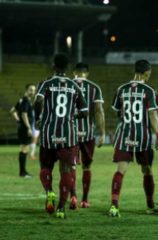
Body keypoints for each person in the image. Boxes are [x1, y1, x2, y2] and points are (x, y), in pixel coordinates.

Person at [34, 53, 88, 219]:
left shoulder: (46, 83)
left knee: (45, 168)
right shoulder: (74, 85)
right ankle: (61, 208)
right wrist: (72, 116)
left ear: (53, 66)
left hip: (49, 133)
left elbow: (38, 101)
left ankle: (49, 192)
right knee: (66, 171)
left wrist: (38, 119)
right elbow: (85, 112)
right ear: (68, 67)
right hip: (68, 135)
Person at [109, 60, 158, 218]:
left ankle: (114, 206)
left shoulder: (121, 89)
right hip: (143, 137)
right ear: (147, 72)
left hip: (125, 134)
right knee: (147, 170)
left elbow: (117, 111)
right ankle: (150, 204)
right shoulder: (149, 90)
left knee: (120, 170)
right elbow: (153, 114)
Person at [69, 63, 106, 209]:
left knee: (70, 166)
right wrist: (102, 133)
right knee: (86, 166)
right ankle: (84, 200)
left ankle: (73, 196)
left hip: (69, 133)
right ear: (87, 73)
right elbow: (99, 111)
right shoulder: (94, 87)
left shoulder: (67, 85)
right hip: (88, 134)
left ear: (74, 72)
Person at [10, 84, 37, 177]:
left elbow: (12, 110)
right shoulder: (25, 100)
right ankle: (23, 172)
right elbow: (24, 114)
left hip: (22, 127)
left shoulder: (22, 99)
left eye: (34, 90)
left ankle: (23, 172)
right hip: (25, 128)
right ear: (26, 90)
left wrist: (18, 121)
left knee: (24, 148)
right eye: (31, 90)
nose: (33, 92)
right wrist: (28, 127)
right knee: (24, 149)